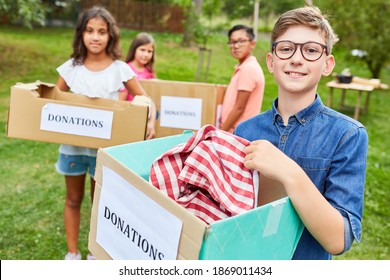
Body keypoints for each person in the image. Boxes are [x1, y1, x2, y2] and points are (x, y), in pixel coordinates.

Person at [234, 6, 368, 260]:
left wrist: (289, 172)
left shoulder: (347, 135)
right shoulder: (246, 130)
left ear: (327, 65)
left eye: (310, 50)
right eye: (286, 48)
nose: (296, 58)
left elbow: (337, 239)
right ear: (271, 62)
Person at [55, 6, 156, 260]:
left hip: (104, 152)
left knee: (98, 201)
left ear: (111, 35)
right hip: (72, 148)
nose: (95, 37)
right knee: (73, 198)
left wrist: (150, 121)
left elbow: (146, 99)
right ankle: (72, 253)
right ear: (81, 34)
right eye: (90, 31)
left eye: (101, 31)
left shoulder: (119, 69)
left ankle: (94, 253)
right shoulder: (70, 68)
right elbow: (54, 100)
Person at [220, 24, 265, 133]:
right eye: (232, 42)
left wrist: (220, 132)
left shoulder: (248, 69)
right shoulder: (245, 67)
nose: (235, 46)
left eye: (241, 41)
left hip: (238, 133)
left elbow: (239, 108)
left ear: (252, 44)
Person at [121, 32, 156, 101]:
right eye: (142, 50)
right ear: (134, 50)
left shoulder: (149, 72)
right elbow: (121, 98)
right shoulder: (126, 69)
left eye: (149, 51)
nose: (146, 54)